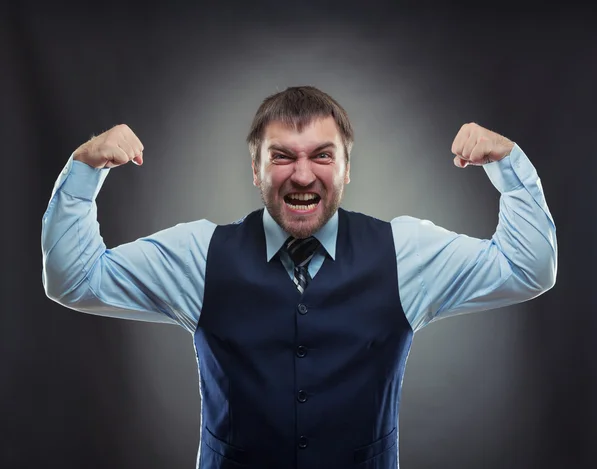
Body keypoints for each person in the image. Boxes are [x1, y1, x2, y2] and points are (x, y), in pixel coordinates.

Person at [41, 86, 557, 469]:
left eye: (322, 155)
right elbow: (75, 278)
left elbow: (526, 267)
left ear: (347, 168)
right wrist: (85, 169)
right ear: (256, 169)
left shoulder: (406, 251)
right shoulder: (199, 253)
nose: (303, 174)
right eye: (282, 156)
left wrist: (508, 164)